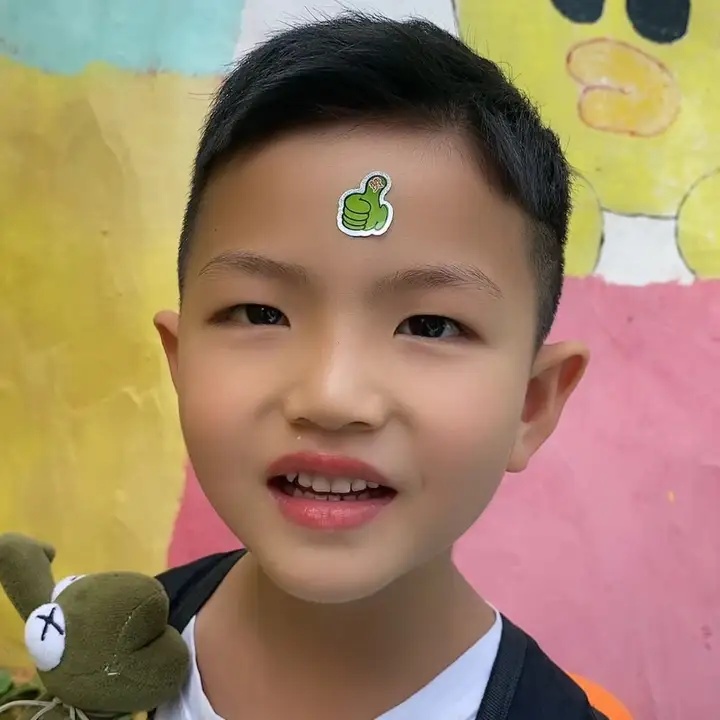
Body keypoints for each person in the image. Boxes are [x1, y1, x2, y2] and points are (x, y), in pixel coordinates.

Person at [152, 12, 600, 720]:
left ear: (532, 402)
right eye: (261, 313)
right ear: (181, 364)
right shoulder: (108, 645)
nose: (332, 396)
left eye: (429, 326)